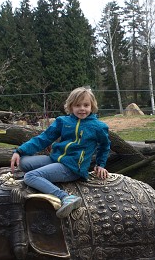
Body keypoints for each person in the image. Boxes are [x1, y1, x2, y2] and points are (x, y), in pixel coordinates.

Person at [10, 86, 111, 219]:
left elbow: (105, 145)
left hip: (72, 167)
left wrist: (101, 164)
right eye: (77, 105)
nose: (82, 108)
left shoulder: (97, 127)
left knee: (30, 176)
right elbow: (44, 138)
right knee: (23, 163)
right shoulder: (63, 122)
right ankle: (44, 178)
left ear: (92, 106)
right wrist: (20, 151)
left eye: (86, 105)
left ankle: (66, 197)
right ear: (71, 106)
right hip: (56, 159)